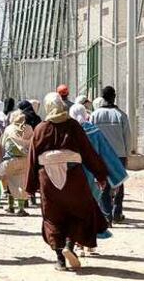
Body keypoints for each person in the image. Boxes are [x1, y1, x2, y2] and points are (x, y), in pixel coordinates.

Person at [25, 92, 109, 271]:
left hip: (48, 181)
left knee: (52, 218)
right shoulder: (73, 126)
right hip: (74, 178)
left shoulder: (41, 128)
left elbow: (32, 159)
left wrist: (30, 186)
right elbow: (88, 152)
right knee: (80, 211)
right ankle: (70, 246)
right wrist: (100, 175)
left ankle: (60, 259)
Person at [69, 103, 128, 255]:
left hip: (74, 176)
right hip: (94, 176)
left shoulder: (69, 131)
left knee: (76, 208)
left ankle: (78, 244)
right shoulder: (94, 131)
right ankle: (90, 244)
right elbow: (106, 153)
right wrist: (114, 173)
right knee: (92, 207)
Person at [90, 86, 131, 224]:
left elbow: (91, 135)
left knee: (103, 184)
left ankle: (106, 215)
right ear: (114, 96)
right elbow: (127, 138)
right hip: (119, 154)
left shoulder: (95, 115)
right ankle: (117, 213)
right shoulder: (121, 115)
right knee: (119, 182)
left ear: (102, 97)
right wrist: (127, 154)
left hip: (101, 154)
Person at [0, 110, 33, 216]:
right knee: (21, 183)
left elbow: (2, 144)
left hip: (10, 160)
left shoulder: (9, 129)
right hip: (25, 160)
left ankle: (11, 206)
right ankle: (21, 208)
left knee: (9, 182)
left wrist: (0, 160)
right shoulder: (29, 128)